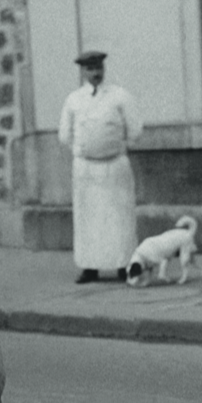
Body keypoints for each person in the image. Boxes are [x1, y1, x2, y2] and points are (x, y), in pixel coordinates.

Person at [58, 50, 143, 284]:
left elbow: (135, 131)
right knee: (88, 218)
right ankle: (89, 267)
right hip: (86, 169)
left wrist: (114, 145)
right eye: (90, 69)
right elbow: (65, 135)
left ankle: (123, 265)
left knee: (119, 216)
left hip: (115, 166)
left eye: (98, 68)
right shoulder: (74, 99)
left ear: (104, 69)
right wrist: (84, 149)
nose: (95, 73)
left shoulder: (119, 96)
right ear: (83, 72)